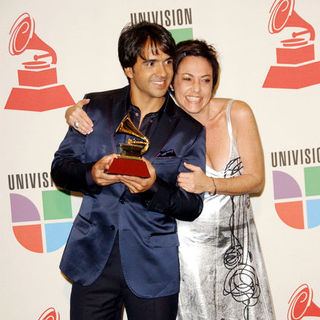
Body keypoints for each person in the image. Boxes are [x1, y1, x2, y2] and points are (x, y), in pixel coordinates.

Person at [66, 39, 275, 320]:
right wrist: (73, 114)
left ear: (215, 83)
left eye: (206, 79)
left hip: (231, 244)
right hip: (181, 251)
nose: (196, 89)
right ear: (172, 82)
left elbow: (256, 181)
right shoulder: (155, 119)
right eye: (186, 78)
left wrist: (211, 184)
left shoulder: (235, 113)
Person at [51, 22, 206, 320]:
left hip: (152, 267)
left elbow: (191, 206)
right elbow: (60, 169)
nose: (162, 72)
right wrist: (91, 174)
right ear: (129, 69)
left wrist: (153, 188)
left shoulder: (189, 131)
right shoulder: (95, 108)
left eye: (167, 61)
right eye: (150, 62)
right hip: (93, 260)